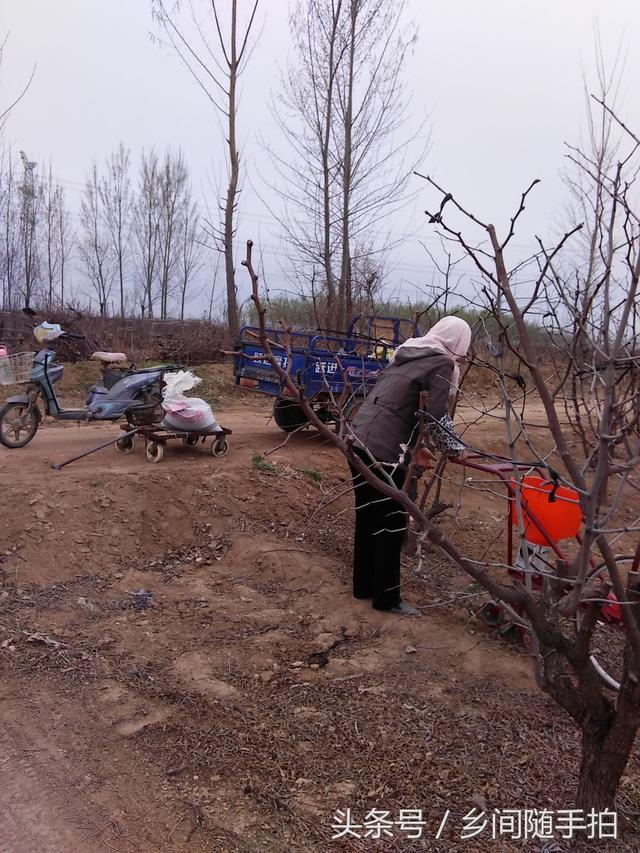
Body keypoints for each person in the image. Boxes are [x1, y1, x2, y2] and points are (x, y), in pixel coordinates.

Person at [348, 316, 472, 615]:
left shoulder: (408, 353)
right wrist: (455, 448)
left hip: (359, 440)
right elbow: (435, 415)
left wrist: (420, 449)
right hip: (385, 451)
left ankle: (363, 587)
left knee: (368, 518)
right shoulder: (442, 363)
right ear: (458, 342)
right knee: (391, 523)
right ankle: (387, 600)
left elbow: (404, 406)